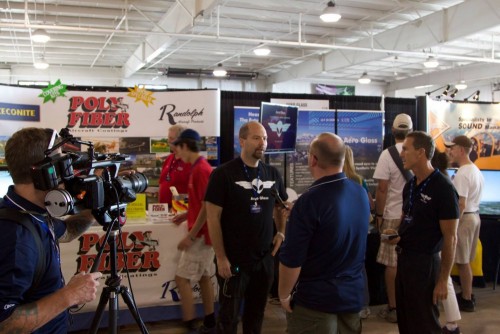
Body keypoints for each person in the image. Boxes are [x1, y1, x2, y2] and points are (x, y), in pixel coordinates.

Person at [0, 127, 102, 333]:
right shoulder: (16, 237)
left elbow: (68, 231)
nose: (68, 174)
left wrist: (97, 203)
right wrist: (70, 295)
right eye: (62, 165)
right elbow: (5, 324)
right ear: (44, 173)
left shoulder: (31, 212)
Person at [278, 133, 370, 334]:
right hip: (352, 299)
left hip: (315, 303)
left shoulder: (309, 202)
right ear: (344, 158)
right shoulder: (360, 193)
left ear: (313, 159)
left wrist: (284, 295)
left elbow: (292, 260)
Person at [205, 121, 287, 334]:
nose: (263, 143)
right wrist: (221, 257)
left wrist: (281, 232)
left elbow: (280, 206)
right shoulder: (223, 174)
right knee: (228, 318)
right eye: (257, 138)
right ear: (241, 141)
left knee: (256, 315)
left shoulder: (272, 174)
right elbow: (212, 217)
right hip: (233, 262)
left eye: (265, 138)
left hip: (263, 259)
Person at [391, 131, 459, 334]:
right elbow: (409, 220)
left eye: (405, 149)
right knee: (406, 321)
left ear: (420, 153)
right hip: (404, 261)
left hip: (426, 266)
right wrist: (397, 235)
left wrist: (442, 281)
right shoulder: (410, 185)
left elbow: (451, 237)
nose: (401, 153)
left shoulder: (443, 188)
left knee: (424, 324)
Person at [172, 129, 216, 333]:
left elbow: (209, 208)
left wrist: (191, 236)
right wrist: (186, 214)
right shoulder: (198, 168)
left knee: (182, 278)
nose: (175, 151)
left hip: (201, 235)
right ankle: (209, 319)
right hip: (204, 234)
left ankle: (190, 324)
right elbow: (202, 203)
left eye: (177, 146)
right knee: (205, 277)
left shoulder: (201, 170)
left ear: (185, 146)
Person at [372, 113, 413, 323]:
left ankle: (394, 307)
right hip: (413, 217)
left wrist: (378, 215)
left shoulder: (387, 155)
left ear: (392, 131)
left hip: (392, 216)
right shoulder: (417, 153)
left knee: (392, 263)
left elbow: (382, 188)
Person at [445, 135, 484, 313]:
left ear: (461, 150)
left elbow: (461, 203)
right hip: (475, 216)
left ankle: (467, 298)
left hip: (466, 218)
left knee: (462, 262)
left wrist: (453, 225)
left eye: (452, 148)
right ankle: (467, 294)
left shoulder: (463, 173)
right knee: (466, 260)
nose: (449, 151)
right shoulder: (475, 170)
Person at [344, 145, 374, 319]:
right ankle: (363, 305)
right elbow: (369, 204)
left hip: (342, 230)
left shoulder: (335, 179)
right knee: (360, 266)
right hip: (360, 229)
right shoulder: (359, 180)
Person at [159, 125, 191, 212]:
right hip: (163, 211)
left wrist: (185, 211)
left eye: (171, 138)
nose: (168, 141)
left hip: (181, 212)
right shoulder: (169, 158)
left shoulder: (190, 161)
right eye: (168, 138)